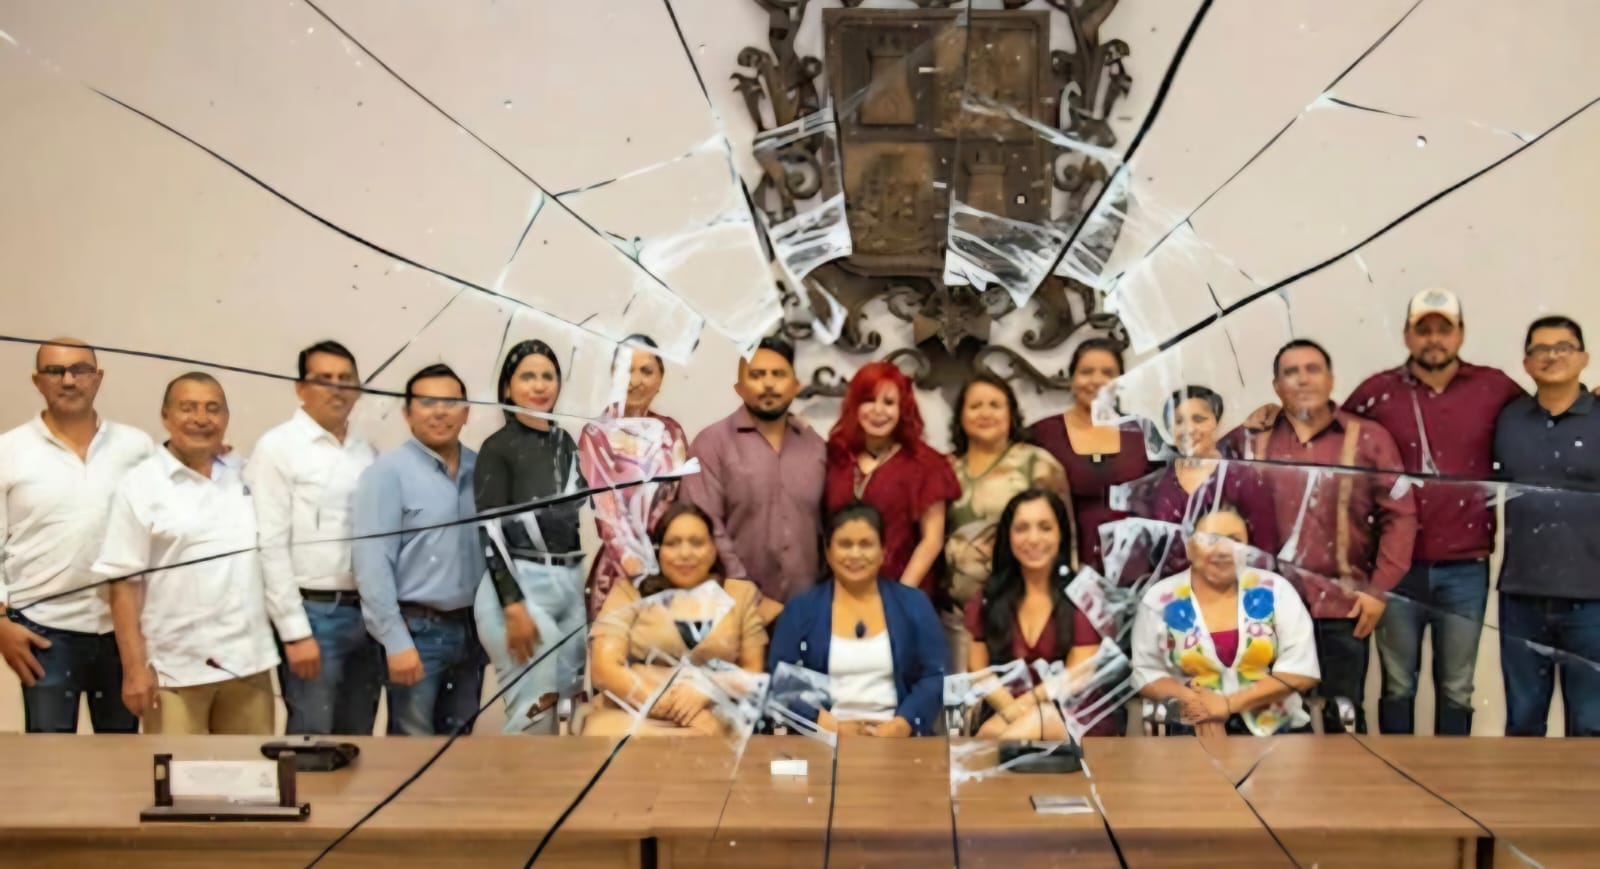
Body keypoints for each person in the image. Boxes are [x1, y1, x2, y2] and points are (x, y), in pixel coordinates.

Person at [1251, 290, 1522, 735]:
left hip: (1463, 567)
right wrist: (1269, 413)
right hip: (1392, 572)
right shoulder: (1377, 392)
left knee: (1456, 687)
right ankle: (1395, 774)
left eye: (1443, 329)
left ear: (1460, 334)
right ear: (1407, 335)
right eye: (1423, 329)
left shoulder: (1494, 387)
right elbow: (1320, 423)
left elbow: (1540, 414)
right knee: (1397, 686)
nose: (1433, 339)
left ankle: (1449, 774)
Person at [94, 372, 300, 735]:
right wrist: (134, 670)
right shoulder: (140, 485)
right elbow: (122, 584)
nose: (201, 419)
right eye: (188, 408)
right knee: (177, 770)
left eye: (212, 408)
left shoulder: (247, 474)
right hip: (174, 672)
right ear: (166, 416)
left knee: (250, 770)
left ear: (227, 418)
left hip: (248, 666)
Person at [1230, 339, 1417, 734]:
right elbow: (1204, 486)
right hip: (1266, 610)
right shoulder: (1251, 439)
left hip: (1342, 607)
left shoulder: (1369, 439)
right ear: (1276, 386)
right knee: (1271, 721)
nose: (1303, 379)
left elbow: (1400, 516)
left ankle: (1346, 779)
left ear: (1331, 379)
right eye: (1291, 372)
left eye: (1312, 369)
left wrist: (1378, 589)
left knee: (1342, 719)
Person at [0, 338, 152, 733]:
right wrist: (1, 624)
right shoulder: (8, 451)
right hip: (42, 633)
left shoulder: (137, 447)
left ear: (98, 378)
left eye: (80, 370)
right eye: (55, 371)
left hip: (122, 634)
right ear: (37, 381)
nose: (68, 380)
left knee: (123, 757)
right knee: (49, 758)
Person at [246, 340, 381, 735]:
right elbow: (270, 545)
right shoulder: (278, 447)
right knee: (312, 739)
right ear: (301, 388)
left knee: (359, 739)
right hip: (313, 615)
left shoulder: (366, 449)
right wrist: (294, 631)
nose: (336, 388)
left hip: (366, 615)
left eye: (345, 379)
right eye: (324, 379)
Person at [354, 364, 485, 737]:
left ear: (466, 412)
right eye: (427, 402)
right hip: (417, 632)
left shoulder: (481, 469)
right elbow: (371, 563)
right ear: (407, 413)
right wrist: (395, 640)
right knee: (412, 750)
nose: (440, 412)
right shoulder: (387, 473)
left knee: (459, 746)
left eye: (450, 403)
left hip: (471, 631)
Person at [474, 340, 589, 732]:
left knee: (566, 712)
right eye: (527, 376)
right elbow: (489, 531)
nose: (539, 385)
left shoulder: (565, 442)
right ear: (508, 388)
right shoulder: (497, 449)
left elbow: (572, 522)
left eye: (547, 376)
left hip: (567, 584)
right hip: (518, 587)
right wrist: (513, 605)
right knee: (533, 716)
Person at [1494, 316, 1600, 737]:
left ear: (1584, 358)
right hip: (1521, 595)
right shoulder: (1508, 419)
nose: (1552, 356)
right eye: (1540, 349)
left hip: (1592, 599)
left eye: (1564, 347)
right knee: (1523, 721)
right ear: (1525, 362)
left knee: (1591, 724)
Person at [1132, 504, 1320, 737]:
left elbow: (1301, 671)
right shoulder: (1159, 599)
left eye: (1234, 540)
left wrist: (1228, 704)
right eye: (1211, 539)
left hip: (1279, 732)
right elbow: (1145, 672)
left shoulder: (1276, 590)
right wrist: (1198, 705)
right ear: (1190, 548)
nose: (1223, 550)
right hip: (1194, 729)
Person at [581, 504, 767, 737]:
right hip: (632, 711)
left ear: (713, 549)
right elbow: (604, 669)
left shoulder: (739, 595)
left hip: (713, 713)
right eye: (673, 543)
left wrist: (708, 689)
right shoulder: (630, 591)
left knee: (708, 738)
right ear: (658, 551)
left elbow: (753, 674)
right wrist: (667, 706)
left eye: (696, 543)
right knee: (606, 738)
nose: (685, 553)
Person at [767, 503, 948, 736]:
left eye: (866, 544)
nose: (855, 554)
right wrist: (825, 724)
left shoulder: (914, 604)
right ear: (828, 552)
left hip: (898, 736)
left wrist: (903, 724)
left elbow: (934, 675)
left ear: (883, 552)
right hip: (822, 737)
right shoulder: (800, 609)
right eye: (845, 544)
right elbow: (781, 680)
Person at [682, 335, 825, 605]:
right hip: (732, 608)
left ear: (796, 386)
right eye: (757, 375)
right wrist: (745, 593)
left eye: (778, 374)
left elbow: (829, 528)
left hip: (807, 609)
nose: (768, 383)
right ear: (738, 387)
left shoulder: (816, 447)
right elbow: (704, 526)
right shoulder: (711, 444)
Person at [944, 373, 1068, 668]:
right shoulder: (945, 469)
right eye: (975, 406)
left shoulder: (1037, 463)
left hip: (1020, 613)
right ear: (960, 416)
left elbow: (1065, 537)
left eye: (995, 405)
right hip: (956, 614)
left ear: (1011, 414)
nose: (985, 413)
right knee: (966, 691)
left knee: (1017, 692)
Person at [964, 489, 1102, 740]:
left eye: (1045, 528)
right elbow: (978, 669)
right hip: (1008, 710)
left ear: (1061, 534)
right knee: (989, 733)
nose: (1034, 538)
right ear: (1008, 536)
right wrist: (1010, 709)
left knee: (1024, 728)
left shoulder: (1083, 596)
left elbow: (1075, 678)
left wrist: (1024, 706)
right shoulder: (990, 596)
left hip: (1071, 711)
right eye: (1022, 529)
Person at [823, 361, 960, 592]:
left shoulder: (925, 464)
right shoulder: (836, 457)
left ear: (903, 409)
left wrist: (901, 596)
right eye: (869, 400)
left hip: (903, 590)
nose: (878, 411)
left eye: (889, 403)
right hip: (840, 592)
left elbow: (931, 541)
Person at [578, 335, 688, 620]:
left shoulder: (672, 432)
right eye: (627, 370)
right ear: (613, 376)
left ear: (660, 379)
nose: (636, 381)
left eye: (646, 371)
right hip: (620, 569)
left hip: (672, 565)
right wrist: (640, 573)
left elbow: (681, 502)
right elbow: (608, 513)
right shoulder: (597, 434)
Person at [1029, 338, 1158, 575]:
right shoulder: (1043, 433)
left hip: (1136, 565)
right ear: (1071, 379)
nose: (1097, 380)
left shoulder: (1142, 433)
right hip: (1061, 564)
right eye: (1086, 372)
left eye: (1108, 373)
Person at [1132, 386, 1277, 579]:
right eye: (1179, 421)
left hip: (1232, 585)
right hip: (1176, 588)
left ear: (1216, 422)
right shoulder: (1161, 484)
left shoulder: (1241, 477)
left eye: (1199, 419)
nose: (1189, 429)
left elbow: (1264, 547)